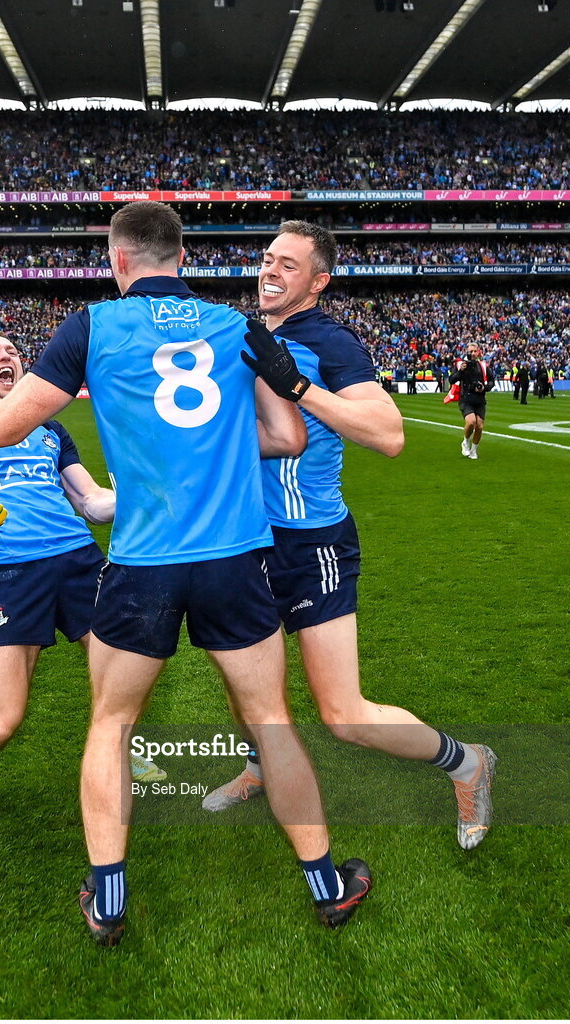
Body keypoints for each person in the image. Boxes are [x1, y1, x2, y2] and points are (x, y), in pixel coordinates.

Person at [0, 202, 373, 945]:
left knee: (110, 723)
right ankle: (326, 885)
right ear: (181, 257)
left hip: (142, 563)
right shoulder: (236, 328)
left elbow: (2, 425)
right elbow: (290, 435)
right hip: (235, 558)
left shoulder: (92, 326)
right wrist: (219, 453)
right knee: (271, 722)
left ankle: (107, 900)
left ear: (119, 260)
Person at [202, 221, 497, 852]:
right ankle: (258, 768)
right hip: (243, 542)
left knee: (343, 715)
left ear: (318, 280)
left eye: (289, 264)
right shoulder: (239, 334)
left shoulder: (330, 342)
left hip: (312, 544)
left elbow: (388, 435)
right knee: (245, 685)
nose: (271, 270)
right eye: (267, 258)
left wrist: (300, 387)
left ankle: (466, 762)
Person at [0, 328, 165, 836]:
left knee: (128, 671)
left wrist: (132, 499)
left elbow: (91, 503)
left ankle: (126, 752)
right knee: (1, 721)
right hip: (11, 572)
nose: (6, 355)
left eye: (12, 349)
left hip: (80, 562)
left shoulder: (51, 430)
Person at [448, 343, 495, 460]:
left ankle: (474, 450)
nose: (473, 353)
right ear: (467, 352)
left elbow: (491, 381)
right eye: (471, 351)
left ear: (478, 352)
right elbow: (452, 380)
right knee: (471, 422)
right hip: (466, 399)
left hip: (480, 399)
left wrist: (485, 387)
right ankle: (465, 442)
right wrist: (460, 371)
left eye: (475, 351)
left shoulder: (483, 366)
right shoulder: (460, 365)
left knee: (479, 426)